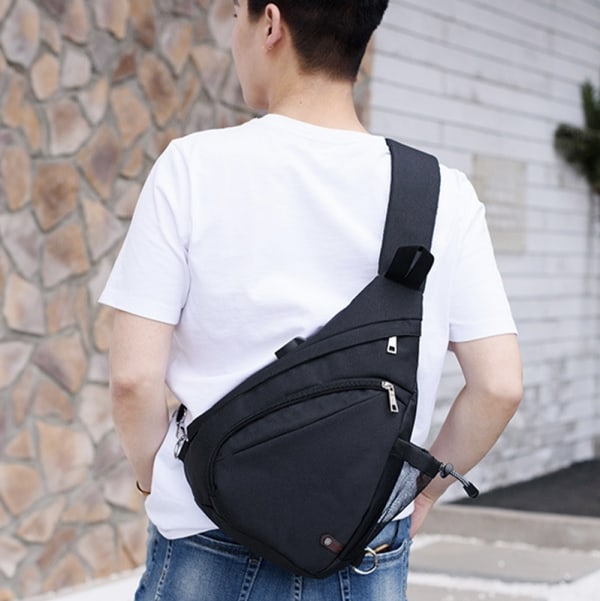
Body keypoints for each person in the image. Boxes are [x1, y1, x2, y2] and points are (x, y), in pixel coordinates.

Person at [100, 1, 523, 599]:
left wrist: (162, 488)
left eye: (237, 17)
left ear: (271, 24)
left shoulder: (192, 167)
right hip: (361, 543)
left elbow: (133, 381)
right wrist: (421, 493)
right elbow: (499, 386)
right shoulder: (442, 195)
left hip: (206, 537)